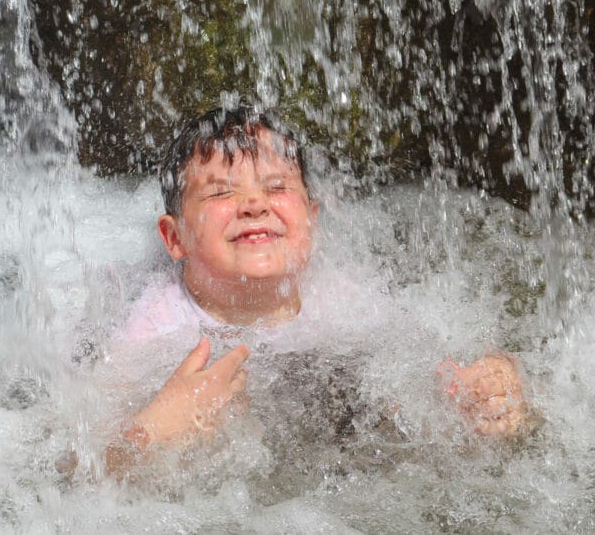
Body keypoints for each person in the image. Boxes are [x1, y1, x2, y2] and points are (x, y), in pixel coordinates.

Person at [105, 106, 530, 472]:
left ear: (310, 218)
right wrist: (156, 429)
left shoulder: (342, 296)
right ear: (175, 237)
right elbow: (79, 466)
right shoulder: (154, 327)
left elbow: (429, 372)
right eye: (222, 192)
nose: (255, 204)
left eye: (276, 187)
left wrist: (485, 385)